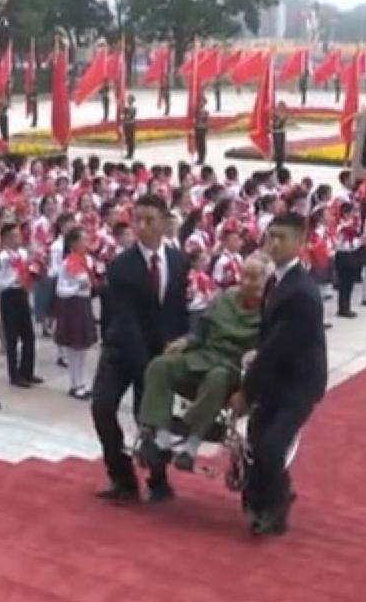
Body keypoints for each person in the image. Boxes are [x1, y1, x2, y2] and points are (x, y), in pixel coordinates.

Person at [229, 213, 327, 536]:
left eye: (282, 237)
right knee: (257, 440)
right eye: (270, 236)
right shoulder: (275, 281)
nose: (274, 243)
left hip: (299, 381)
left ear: (300, 243)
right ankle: (267, 497)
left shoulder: (300, 290)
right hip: (276, 376)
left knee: (272, 447)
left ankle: (274, 510)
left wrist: (247, 390)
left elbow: (277, 348)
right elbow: (266, 337)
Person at [91, 193, 190, 503]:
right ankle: (121, 477)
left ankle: (158, 479)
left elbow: (179, 311)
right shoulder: (121, 266)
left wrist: (181, 345)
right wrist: (145, 366)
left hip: (160, 352)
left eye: (150, 220)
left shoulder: (178, 261)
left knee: (150, 417)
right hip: (122, 351)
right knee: (103, 407)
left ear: (164, 221)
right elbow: (127, 319)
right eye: (138, 220)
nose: (143, 227)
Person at [139, 255, 267, 473]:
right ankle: (161, 439)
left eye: (254, 278)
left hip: (233, 369)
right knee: (160, 366)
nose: (247, 282)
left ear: (266, 280)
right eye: (245, 276)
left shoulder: (269, 311)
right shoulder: (223, 299)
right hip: (204, 356)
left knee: (217, 377)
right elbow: (200, 331)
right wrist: (184, 341)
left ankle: (191, 445)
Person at [0, 222, 39, 388]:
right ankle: (14, 374)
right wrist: (14, 280)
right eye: (14, 236)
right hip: (9, 295)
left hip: (22, 294)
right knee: (12, 336)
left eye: (18, 235)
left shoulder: (22, 254)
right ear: (5, 239)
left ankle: (27, 370)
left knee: (29, 335)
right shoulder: (3, 258)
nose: (18, 238)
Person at [55, 227, 98, 399]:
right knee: (74, 348)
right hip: (72, 306)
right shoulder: (67, 263)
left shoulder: (88, 260)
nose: (86, 243)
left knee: (84, 348)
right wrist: (75, 288)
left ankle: (83, 382)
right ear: (73, 243)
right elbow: (60, 290)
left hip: (85, 304)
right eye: (83, 240)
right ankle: (75, 384)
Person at [271, 101, 289, 171]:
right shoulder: (275, 114)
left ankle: (280, 165)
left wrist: (278, 118)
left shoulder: (284, 115)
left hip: (280, 133)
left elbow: (278, 124)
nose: (279, 107)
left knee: (280, 149)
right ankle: (277, 164)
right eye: (278, 106)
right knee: (276, 149)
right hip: (275, 133)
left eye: (280, 106)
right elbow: (273, 124)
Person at [193, 97, 210, 165]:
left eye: (202, 102)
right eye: (200, 102)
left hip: (202, 129)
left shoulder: (205, 111)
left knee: (202, 145)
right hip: (197, 128)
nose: (200, 103)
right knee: (198, 144)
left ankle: (201, 159)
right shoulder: (197, 111)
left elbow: (205, 121)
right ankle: (200, 158)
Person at [121, 93, 138, 160]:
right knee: (129, 140)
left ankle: (130, 154)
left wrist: (124, 117)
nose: (128, 100)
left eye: (129, 99)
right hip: (129, 124)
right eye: (128, 99)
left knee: (130, 140)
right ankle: (130, 153)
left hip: (129, 125)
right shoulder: (130, 108)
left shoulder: (130, 108)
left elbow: (127, 116)